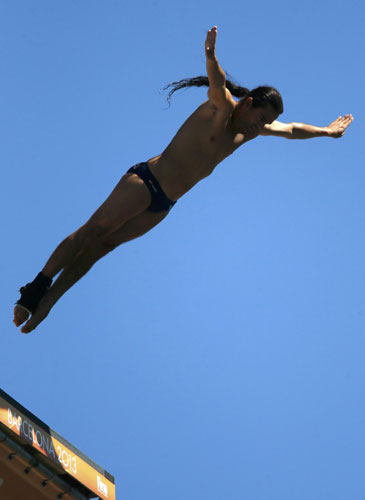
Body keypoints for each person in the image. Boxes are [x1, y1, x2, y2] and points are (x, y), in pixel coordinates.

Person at [13, 26, 353, 334]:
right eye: (260, 118)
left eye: (266, 123)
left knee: (101, 248)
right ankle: (38, 286)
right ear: (248, 104)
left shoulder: (251, 132)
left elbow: (292, 129)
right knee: (94, 231)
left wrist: (326, 131)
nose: (260, 126)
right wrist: (211, 56)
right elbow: (217, 82)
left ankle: (47, 304)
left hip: (163, 205)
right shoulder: (221, 108)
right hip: (145, 182)